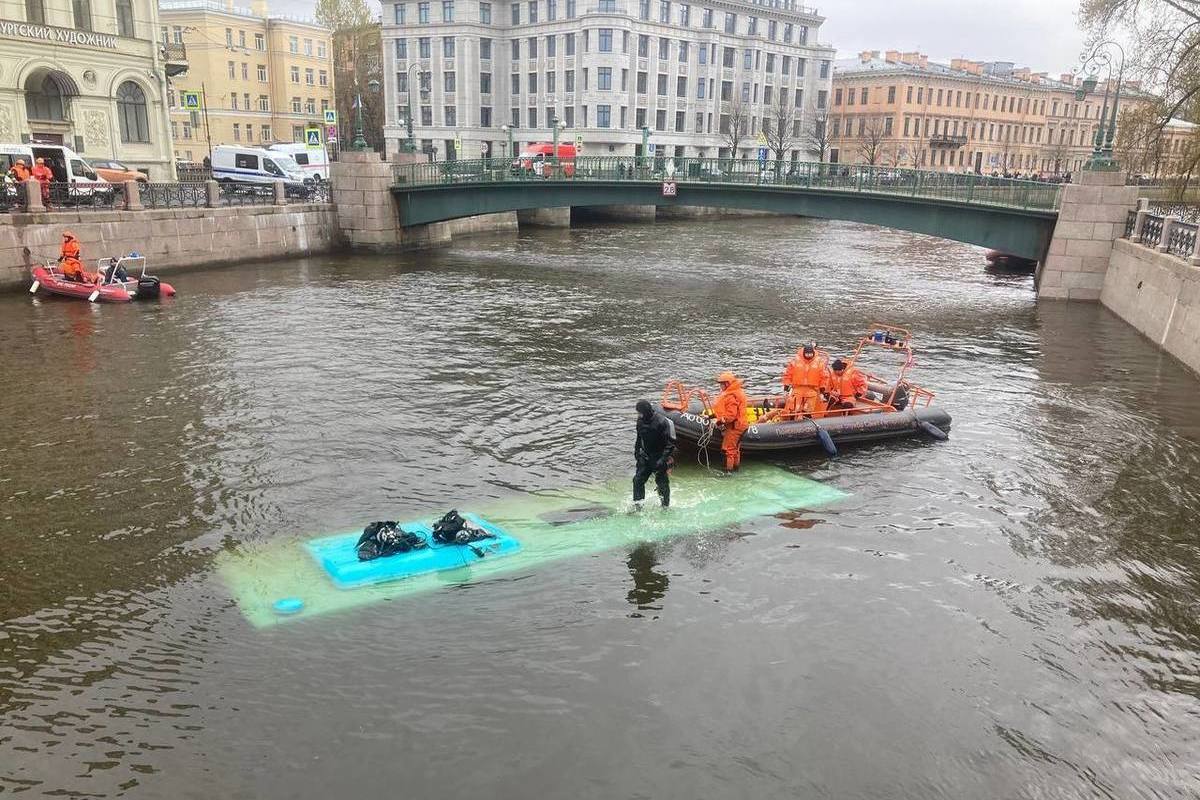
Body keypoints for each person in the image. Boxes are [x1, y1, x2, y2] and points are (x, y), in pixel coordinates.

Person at [633, 399, 675, 508]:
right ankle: (638, 506)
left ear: (646, 411)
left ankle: (665, 506)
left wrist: (662, 459)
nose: (639, 415)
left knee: (662, 483)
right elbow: (639, 438)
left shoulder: (661, 422)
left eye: (640, 412)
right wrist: (637, 452)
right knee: (637, 480)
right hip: (645, 455)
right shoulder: (640, 421)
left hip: (659, 456)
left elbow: (670, 444)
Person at [711, 371, 748, 473]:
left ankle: (728, 472)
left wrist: (719, 422)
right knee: (735, 449)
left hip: (735, 426)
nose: (720, 386)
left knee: (728, 450)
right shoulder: (736, 392)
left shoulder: (731, 396)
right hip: (740, 424)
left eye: (722, 384)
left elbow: (730, 416)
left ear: (727, 384)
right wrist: (713, 416)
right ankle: (735, 469)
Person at [781, 342, 830, 416]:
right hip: (797, 390)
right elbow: (788, 375)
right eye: (807, 354)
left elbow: (823, 378)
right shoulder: (795, 361)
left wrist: (822, 392)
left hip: (812, 390)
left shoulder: (819, 362)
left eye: (810, 354)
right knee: (793, 410)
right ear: (803, 353)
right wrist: (785, 389)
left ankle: (809, 420)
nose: (809, 355)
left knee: (808, 411)